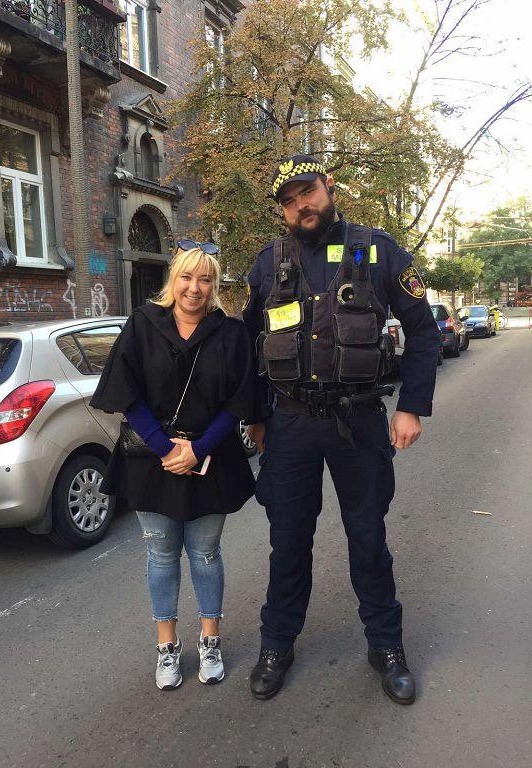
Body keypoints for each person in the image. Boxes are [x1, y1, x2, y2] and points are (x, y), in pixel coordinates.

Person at [242, 155, 441, 704]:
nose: (300, 206)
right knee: (288, 541)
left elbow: (424, 331)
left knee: (368, 538)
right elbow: (246, 346)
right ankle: (277, 643)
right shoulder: (269, 263)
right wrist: (256, 416)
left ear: (328, 187)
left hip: (359, 420)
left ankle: (386, 645)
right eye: (289, 201)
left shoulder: (377, 251)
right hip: (291, 425)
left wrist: (411, 407)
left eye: (307, 192)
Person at [90, 242, 256, 691]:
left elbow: (238, 402)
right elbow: (127, 396)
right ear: (173, 279)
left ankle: (210, 639)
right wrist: (167, 449)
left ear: (214, 285)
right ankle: (167, 645)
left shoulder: (231, 333)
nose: (194, 288)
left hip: (211, 459)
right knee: (161, 555)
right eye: (186, 276)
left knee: (205, 554)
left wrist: (197, 449)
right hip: (152, 460)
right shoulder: (143, 325)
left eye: (205, 279)